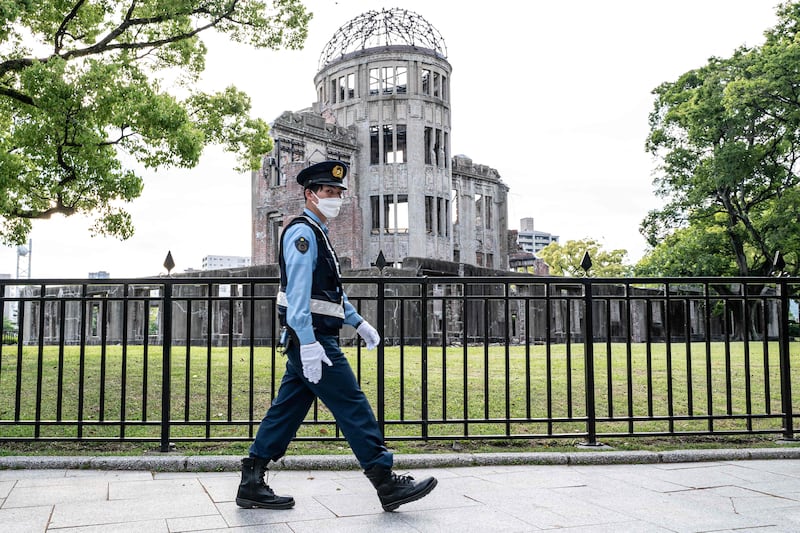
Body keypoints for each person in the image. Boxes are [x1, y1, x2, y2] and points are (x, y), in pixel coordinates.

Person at [236, 160, 437, 512]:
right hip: (312, 339)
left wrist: (358, 322)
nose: (336, 198)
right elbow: (297, 297)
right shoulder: (303, 234)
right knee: (352, 404)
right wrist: (310, 344)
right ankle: (384, 481)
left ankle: (251, 480)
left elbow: (327, 295)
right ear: (310, 194)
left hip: (310, 339)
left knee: (287, 410)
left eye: (339, 192)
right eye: (329, 192)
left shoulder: (317, 232)